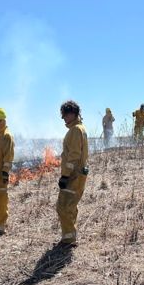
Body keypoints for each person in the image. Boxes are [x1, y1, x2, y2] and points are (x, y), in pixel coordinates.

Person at [56, 100, 89, 246]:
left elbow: (74, 155)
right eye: (62, 115)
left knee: (63, 206)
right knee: (70, 206)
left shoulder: (75, 130)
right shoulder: (79, 128)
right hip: (77, 173)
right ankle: (69, 236)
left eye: (65, 115)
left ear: (73, 113)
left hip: (73, 175)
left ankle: (69, 239)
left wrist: (65, 175)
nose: (63, 118)